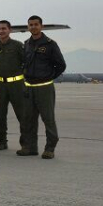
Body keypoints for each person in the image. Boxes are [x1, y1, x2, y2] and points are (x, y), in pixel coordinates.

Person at [20, 15, 66, 159]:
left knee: (48, 119)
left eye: (36, 24)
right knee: (28, 119)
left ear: (42, 26)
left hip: (44, 87)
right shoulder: (26, 44)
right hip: (29, 87)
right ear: (28, 27)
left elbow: (61, 65)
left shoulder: (50, 44)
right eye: (31, 25)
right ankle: (29, 147)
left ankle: (50, 148)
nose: (33, 27)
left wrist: (48, 76)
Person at [0, 20, 26, 151]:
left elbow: (25, 63)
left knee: (22, 114)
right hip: (1, 84)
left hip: (17, 84)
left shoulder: (18, 45)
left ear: (9, 30)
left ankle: (26, 143)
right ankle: (1, 142)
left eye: (3, 29)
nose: (0, 31)